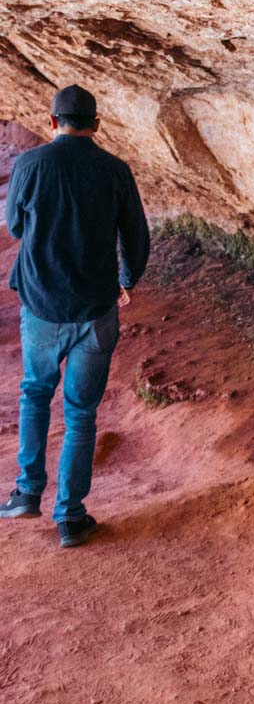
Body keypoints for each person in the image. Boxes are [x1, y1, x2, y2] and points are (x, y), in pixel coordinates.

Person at [0, 85, 149, 547]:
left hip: (42, 305)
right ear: (96, 125)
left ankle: (26, 492)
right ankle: (70, 516)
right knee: (81, 413)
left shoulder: (29, 165)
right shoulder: (115, 170)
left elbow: (16, 226)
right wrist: (126, 278)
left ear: (51, 122)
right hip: (95, 308)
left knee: (34, 394)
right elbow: (137, 237)